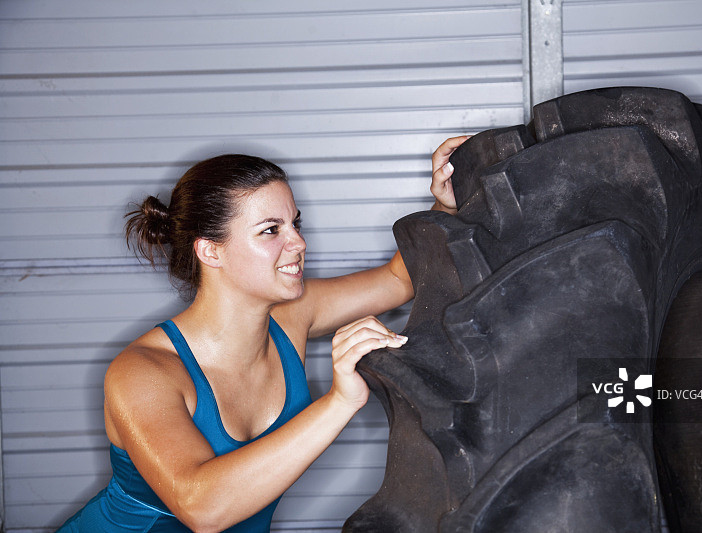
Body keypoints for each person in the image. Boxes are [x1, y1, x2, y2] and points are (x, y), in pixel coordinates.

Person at [57, 136, 469, 532]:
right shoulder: (142, 373)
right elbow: (203, 509)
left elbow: (397, 281)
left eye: (295, 223)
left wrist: (443, 205)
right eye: (271, 230)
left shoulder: (293, 315)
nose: (299, 242)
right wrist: (340, 401)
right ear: (210, 251)